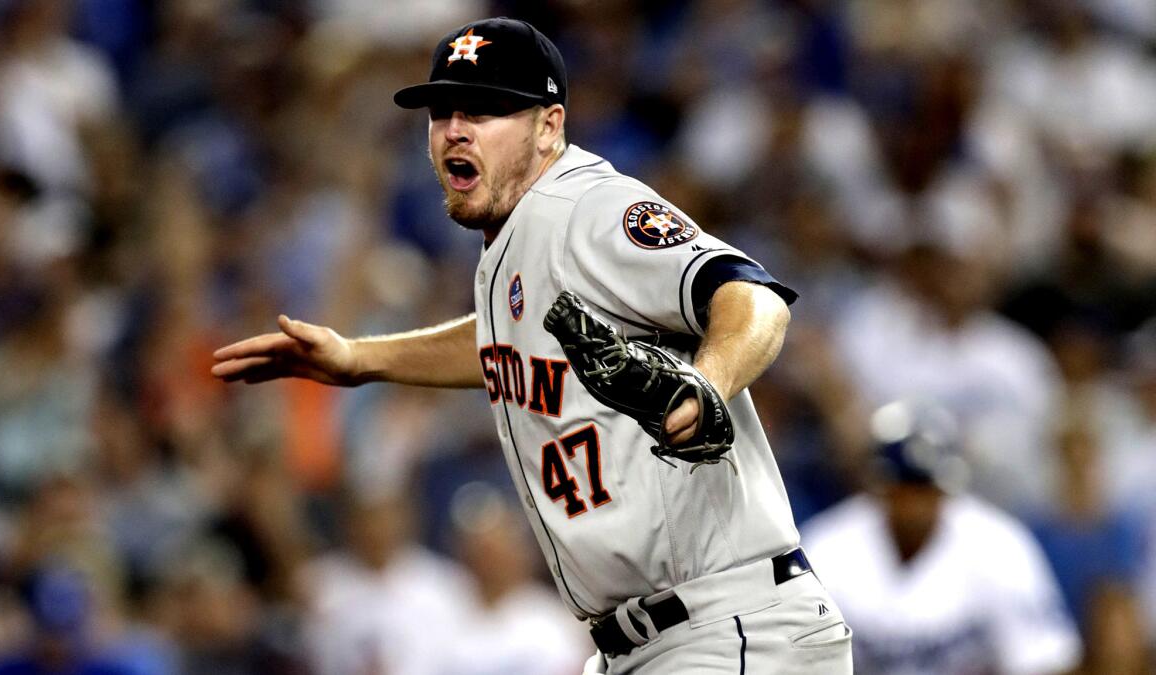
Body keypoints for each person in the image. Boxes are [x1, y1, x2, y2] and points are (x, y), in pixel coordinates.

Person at [213, 17, 851, 673]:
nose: (454, 130)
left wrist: (707, 385)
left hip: (725, 629)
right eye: (442, 113)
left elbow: (752, 298)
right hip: (647, 643)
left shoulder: (588, 209)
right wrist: (361, 358)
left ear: (549, 125)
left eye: (485, 110)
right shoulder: (513, 243)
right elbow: (502, 343)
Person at [800, 400, 1083, 674]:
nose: (914, 505)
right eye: (904, 488)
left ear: (946, 488)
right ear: (880, 487)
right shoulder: (826, 549)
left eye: (925, 488)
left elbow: (1046, 660)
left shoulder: (999, 547)